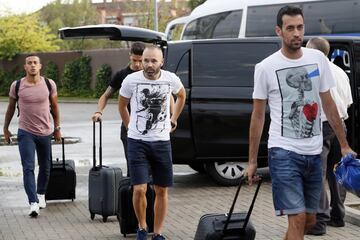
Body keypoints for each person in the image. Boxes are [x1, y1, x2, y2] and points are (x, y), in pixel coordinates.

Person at [246, 5, 356, 240]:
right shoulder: (265, 67)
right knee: (296, 219)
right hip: (283, 153)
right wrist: (252, 161)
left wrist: (344, 145)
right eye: (290, 28)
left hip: (315, 153)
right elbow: (257, 116)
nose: (297, 33)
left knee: (310, 220)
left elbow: (329, 104)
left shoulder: (318, 59)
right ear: (279, 31)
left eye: (300, 27)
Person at [118, 45, 186, 240]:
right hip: (137, 142)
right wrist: (129, 125)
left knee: (161, 189)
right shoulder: (131, 80)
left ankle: (157, 232)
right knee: (139, 189)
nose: (149, 64)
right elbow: (122, 105)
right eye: (146, 60)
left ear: (161, 62)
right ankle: (141, 227)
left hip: (162, 143)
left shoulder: (170, 79)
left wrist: (174, 118)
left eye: (153, 61)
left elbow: (181, 96)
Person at [3, 55, 61, 217]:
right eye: (30, 63)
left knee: (46, 166)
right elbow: (10, 108)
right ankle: (33, 202)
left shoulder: (49, 84)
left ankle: (41, 193)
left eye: (35, 63)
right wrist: (6, 128)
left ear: (40, 66)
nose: (33, 66)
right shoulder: (17, 85)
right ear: (25, 67)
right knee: (28, 167)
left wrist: (57, 128)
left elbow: (55, 108)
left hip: (45, 131)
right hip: (25, 132)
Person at [305, 37, 353, 235]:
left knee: (316, 173)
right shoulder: (340, 72)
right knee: (336, 172)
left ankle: (319, 222)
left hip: (322, 125)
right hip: (340, 124)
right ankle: (338, 216)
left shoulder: (313, 72)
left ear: (315, 53)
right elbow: (348, 102)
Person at [92, 41, 145, 176]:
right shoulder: (122, 75)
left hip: (148, 126)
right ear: (129, 56)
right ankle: (132, 193)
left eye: (141, 60)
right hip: (128, 126)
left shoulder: (149, 74)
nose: (138, 64)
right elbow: (105, 95)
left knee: (149, 167)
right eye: (135, 60)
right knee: (133, 165)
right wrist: (99, 111)